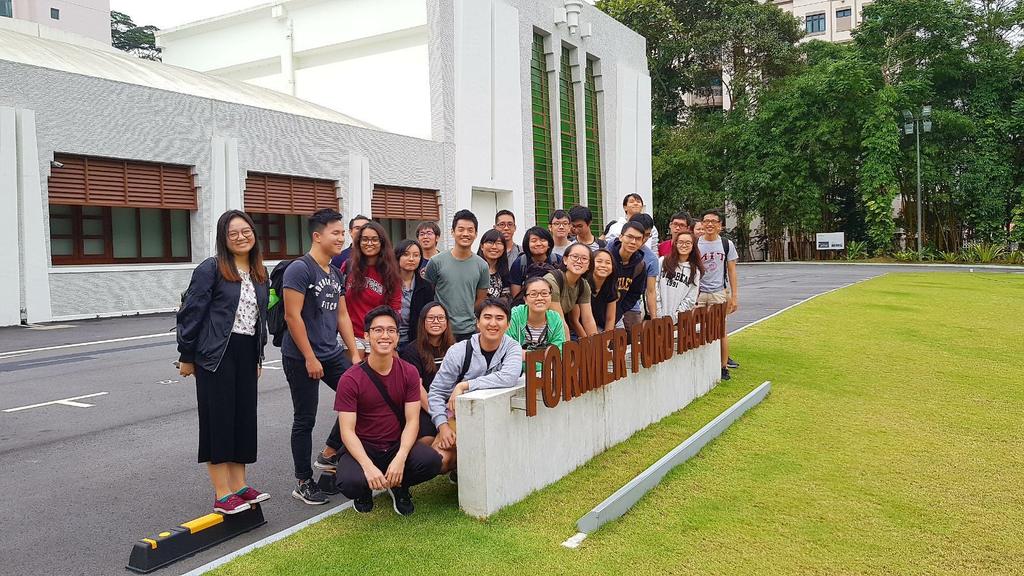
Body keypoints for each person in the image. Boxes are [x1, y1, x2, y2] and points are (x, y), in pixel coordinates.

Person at [177, 210, 271, 515]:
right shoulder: (211, 269)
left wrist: (258, 356)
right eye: (233, 234)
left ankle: (240, 485)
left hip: (246, 353)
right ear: (223, 238)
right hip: (215, 354)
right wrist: (186, 356)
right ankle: (222, 492)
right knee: (218, 420)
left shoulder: (259, 272)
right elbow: (192, 313)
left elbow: (260, 320)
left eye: (246, 231)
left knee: (243, 418)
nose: (241, 237)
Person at [281, 209, 360, 505]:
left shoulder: (336, 271)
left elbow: (342, 314)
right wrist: (310, 357)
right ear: (317, 236)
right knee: (305, 418)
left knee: (361, 398)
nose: (341, 238)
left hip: (331, 352)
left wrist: (353, 352)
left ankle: (328, 455)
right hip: (301, 357)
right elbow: (292, 316)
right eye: (335, 233)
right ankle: (303, 482)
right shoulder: (299, 269)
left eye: (342, 233)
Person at [334, 306, 442, 515]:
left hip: (394, 444)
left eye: (391, 330)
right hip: (364, 447)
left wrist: (401, 457)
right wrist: (367, 465)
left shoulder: (408, 372)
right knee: (349, 482)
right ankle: (365, 489)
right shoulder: (350, 379)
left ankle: (398, 485)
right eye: (378, 330)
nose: (385, 336)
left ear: (397, 336)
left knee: (431, 461)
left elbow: (412, 420)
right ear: (366, 335)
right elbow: (346, 430)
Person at [428, 298, 522, 476]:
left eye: (499, 318)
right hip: (457, 417)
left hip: (496, 420)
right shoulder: (458, 351)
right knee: (438, 460)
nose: (493, 323)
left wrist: (465, 385)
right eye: (487, 317)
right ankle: (459, 465)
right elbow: (437, 392)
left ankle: (469, 466)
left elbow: (509, 377)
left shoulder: (512, 348)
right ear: (477, 323)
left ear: (508, 324)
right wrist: (442, 426)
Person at [425, 210, 490, 341]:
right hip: (441, 330)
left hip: (469, 331)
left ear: (476, 234)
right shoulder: (436, 262)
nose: (465, 234)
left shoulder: (482, 265)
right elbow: (427, 294)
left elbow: (480, 300)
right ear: (452, 232)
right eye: (461, 229)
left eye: (470, 230)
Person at [340, 221, 402, 354]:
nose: (369, 243)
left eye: (374, 239)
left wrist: (391, 338)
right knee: (355, 372)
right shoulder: (349, 266)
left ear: (382, 243)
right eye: (365, 239)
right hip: (350, 334)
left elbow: (394, 308)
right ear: (358, 242)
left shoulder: (391, 272)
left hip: (377, 334)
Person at [399, 301, 455, 445]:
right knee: (427, 441)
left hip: (452, 405)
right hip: (425, 407)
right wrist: (440, 415)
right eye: (430, 318)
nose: (436, 322)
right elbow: (417, 389)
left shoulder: (455, 347)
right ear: (422, 322)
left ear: (447, 322)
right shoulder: (411, 351)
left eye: (441, 318)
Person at [697, 209, 740, 380]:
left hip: (718, 293)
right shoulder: (695, 243)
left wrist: (734, 296)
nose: (709, 224)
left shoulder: (726, 244)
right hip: (698, 294)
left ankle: (723, 366)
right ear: (701, 223)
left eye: (714, 221)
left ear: (720, 226)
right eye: (706, 220)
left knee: (720, 330)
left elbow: (732, 271)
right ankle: (700, 365)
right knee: (696, 330)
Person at [546, 243, 599, 338]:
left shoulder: (583, 285)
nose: (579, 261)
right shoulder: (552, 281)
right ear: (565, 260)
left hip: (555, 329)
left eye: (584, 258)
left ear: (589, 266)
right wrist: (568, 349)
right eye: (575, 257)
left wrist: (597, 346)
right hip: (536, 331)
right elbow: (560, 321)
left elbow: (588, 319)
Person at [508, 276, 566, 357]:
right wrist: (541, 356)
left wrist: (528, 355)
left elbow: (558, 352)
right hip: (517, 368)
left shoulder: (555, 318)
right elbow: (508, 350)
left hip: (549, 368)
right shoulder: (515, 315)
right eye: (533, 294)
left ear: (550, 296)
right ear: (525, 299)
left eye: (544, 293)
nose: (539, 298)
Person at [607, 221, 649, 330]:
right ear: (621, 237)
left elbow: (635, 293)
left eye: (638, 239)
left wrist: (620, 310)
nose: (633, 242)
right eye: (630, 237)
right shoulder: (606, 259)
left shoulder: (640, 265)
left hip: (617, 313)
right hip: (596, 312)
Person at [395, 240, 435, 346]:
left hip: (416, 341)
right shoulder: (387, 283)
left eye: (416, 255)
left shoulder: (426, 287)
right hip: (390, 339)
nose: (411, 259)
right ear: (397, 256)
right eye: (406, 255)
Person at [657, 231, 704, 316]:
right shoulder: (663, 261)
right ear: (675, 244)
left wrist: (675, 316)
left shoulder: (695, 271)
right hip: (657, 314)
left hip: (678, 319)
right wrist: (658, 312)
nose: (684, 245)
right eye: (680, 242)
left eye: (688, 243)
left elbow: (691, 299)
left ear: (693, 246)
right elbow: (654, 287)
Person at [509, 226, 562, 299]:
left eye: (543, 240)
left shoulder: (558, 260)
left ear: (549, 244)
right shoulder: (520, 263)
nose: (538, 244)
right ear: (527, 245)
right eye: (534, 241)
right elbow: (516, 296)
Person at [627, 213, 660, 324]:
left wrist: (654, 318)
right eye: (640, 233)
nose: (643, 238)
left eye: (647, 235)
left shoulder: (651, 259)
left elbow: (650, 291)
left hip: (632, 307)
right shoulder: (613, 246)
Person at [587, 248, 619, 332]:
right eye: (599, 261)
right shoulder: (583, 285)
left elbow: (610, 319)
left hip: (600, 328)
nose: (603, 265)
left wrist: (606, 341)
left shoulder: (611, 287)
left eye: (608, 263)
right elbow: (576, 320)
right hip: (579, 331)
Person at [477, 229, 511, 301]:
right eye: (490, 242)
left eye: (499, 243)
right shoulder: (474, 268)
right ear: (482, 246)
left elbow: (505, 299)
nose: (494, 247)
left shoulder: (504, 272)